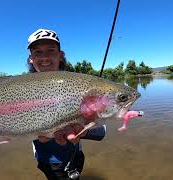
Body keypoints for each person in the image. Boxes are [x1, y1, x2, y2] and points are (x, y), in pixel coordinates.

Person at [27, 28, 107, 180]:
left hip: (75, 154)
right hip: (48, 160)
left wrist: (86, 128)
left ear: (60, 55)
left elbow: (100, 124)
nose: (44, 57)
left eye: (51, 50)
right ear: (31, 58)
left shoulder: (78, 85)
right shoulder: (23, 89)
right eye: (38, 52)